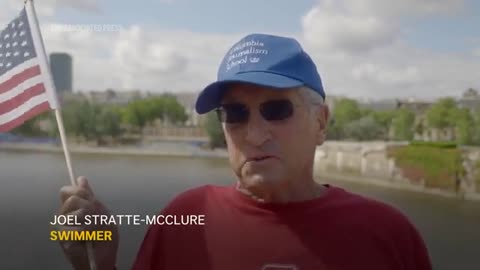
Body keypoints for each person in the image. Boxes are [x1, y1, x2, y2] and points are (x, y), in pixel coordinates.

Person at [58, 33, 432, 270]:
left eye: (277, 109)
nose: (254, 134)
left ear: (321, 122)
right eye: (235, 114)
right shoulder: (184, 217)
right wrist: (96, 262)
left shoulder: (388, 234)